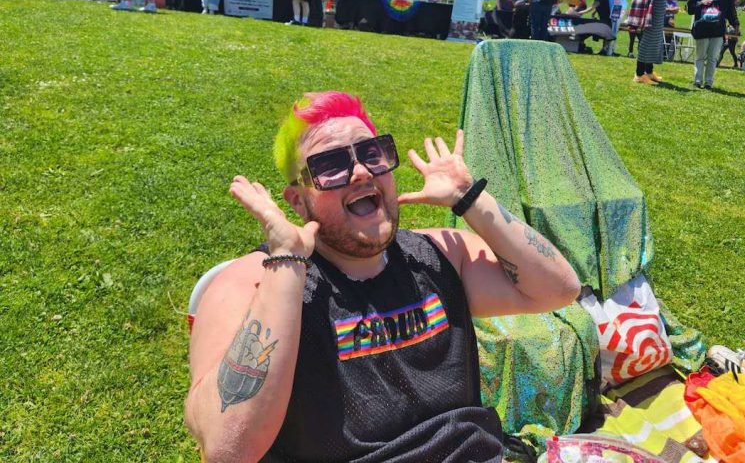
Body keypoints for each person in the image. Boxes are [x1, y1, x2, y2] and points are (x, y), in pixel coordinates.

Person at [184, 91, 581, 462]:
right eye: (331, 164)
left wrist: (469, 198)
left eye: (371, 153)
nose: (360, 171)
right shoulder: (251, 282)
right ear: (299, 201)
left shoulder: (440, 255)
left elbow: (558, 289)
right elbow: (227, 449)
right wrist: (286, 265)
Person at [686, 0, 740, 89]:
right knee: (700, 56)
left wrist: (735, 24)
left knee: (713, 57)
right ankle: (698, 81)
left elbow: (730, 7)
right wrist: (701, 3)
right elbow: (690, 7)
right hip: (702, 27)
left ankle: (709, 82)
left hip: (718, 28)